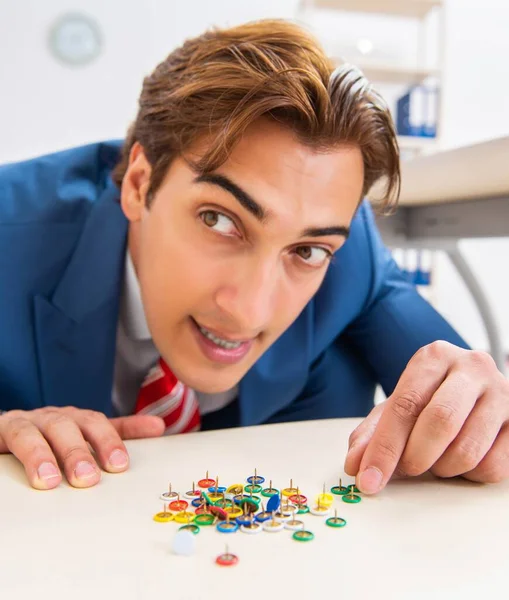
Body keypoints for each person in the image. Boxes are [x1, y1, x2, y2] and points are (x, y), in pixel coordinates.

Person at [1, 20, 507, 494]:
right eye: (218, 220)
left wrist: (482, 403)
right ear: (139, 183)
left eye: (307, 251)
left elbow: (469, 402)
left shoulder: (352, 254)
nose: (249, 311)